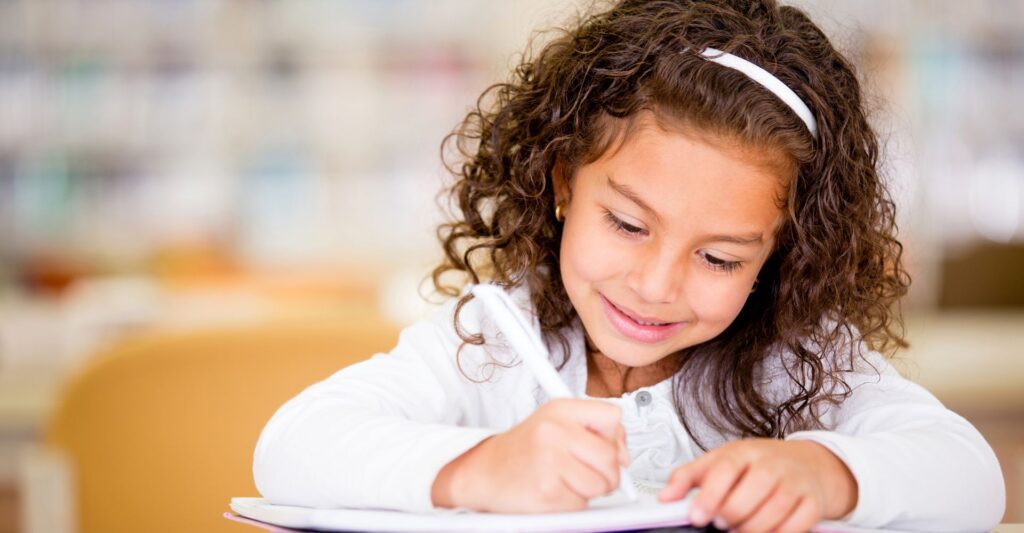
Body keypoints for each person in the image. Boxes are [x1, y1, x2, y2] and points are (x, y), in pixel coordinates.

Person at [252, 1, 1006, 531]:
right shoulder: (490, 341)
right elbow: (291, 447)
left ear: (780, 255)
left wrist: (826, 472)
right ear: (560, 184)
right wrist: (483, 466)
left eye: (718, 256)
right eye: (626, 223)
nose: (655, 284)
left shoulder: (798, 362)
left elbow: (973, 480)